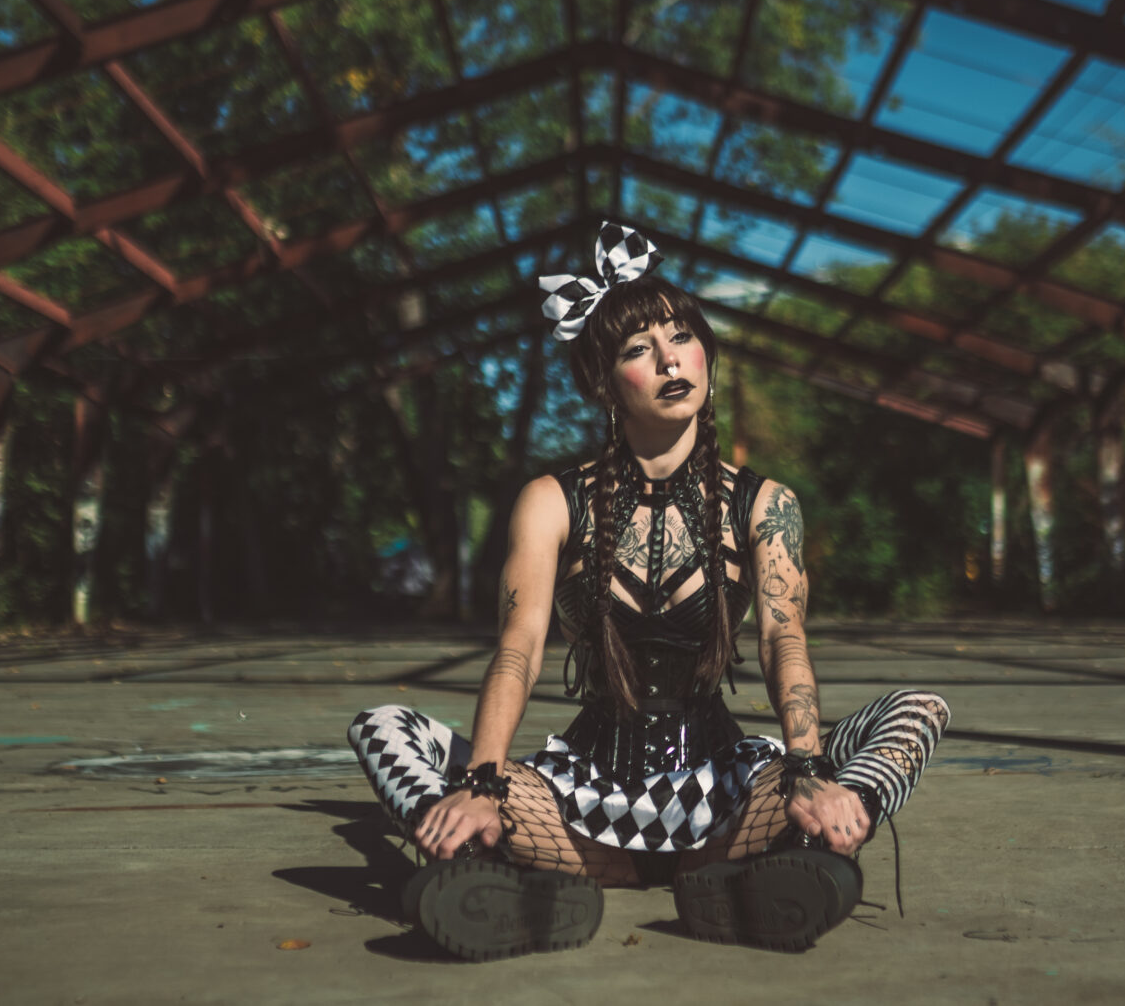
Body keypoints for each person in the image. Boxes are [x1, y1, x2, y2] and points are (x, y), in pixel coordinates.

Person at [347, 223, 950, 960]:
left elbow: (782, 638)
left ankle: (787, 870)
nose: (670, 358)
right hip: (577, 808)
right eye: (639, 348)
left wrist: (806, 771)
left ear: (707, 357)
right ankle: (487, 880)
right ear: (605, 385)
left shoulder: (766, 504)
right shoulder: (551, 500)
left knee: (918, 709)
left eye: (682, 336)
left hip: (728, 803)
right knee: (382, 724)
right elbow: (519, 646)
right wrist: (484, 783)